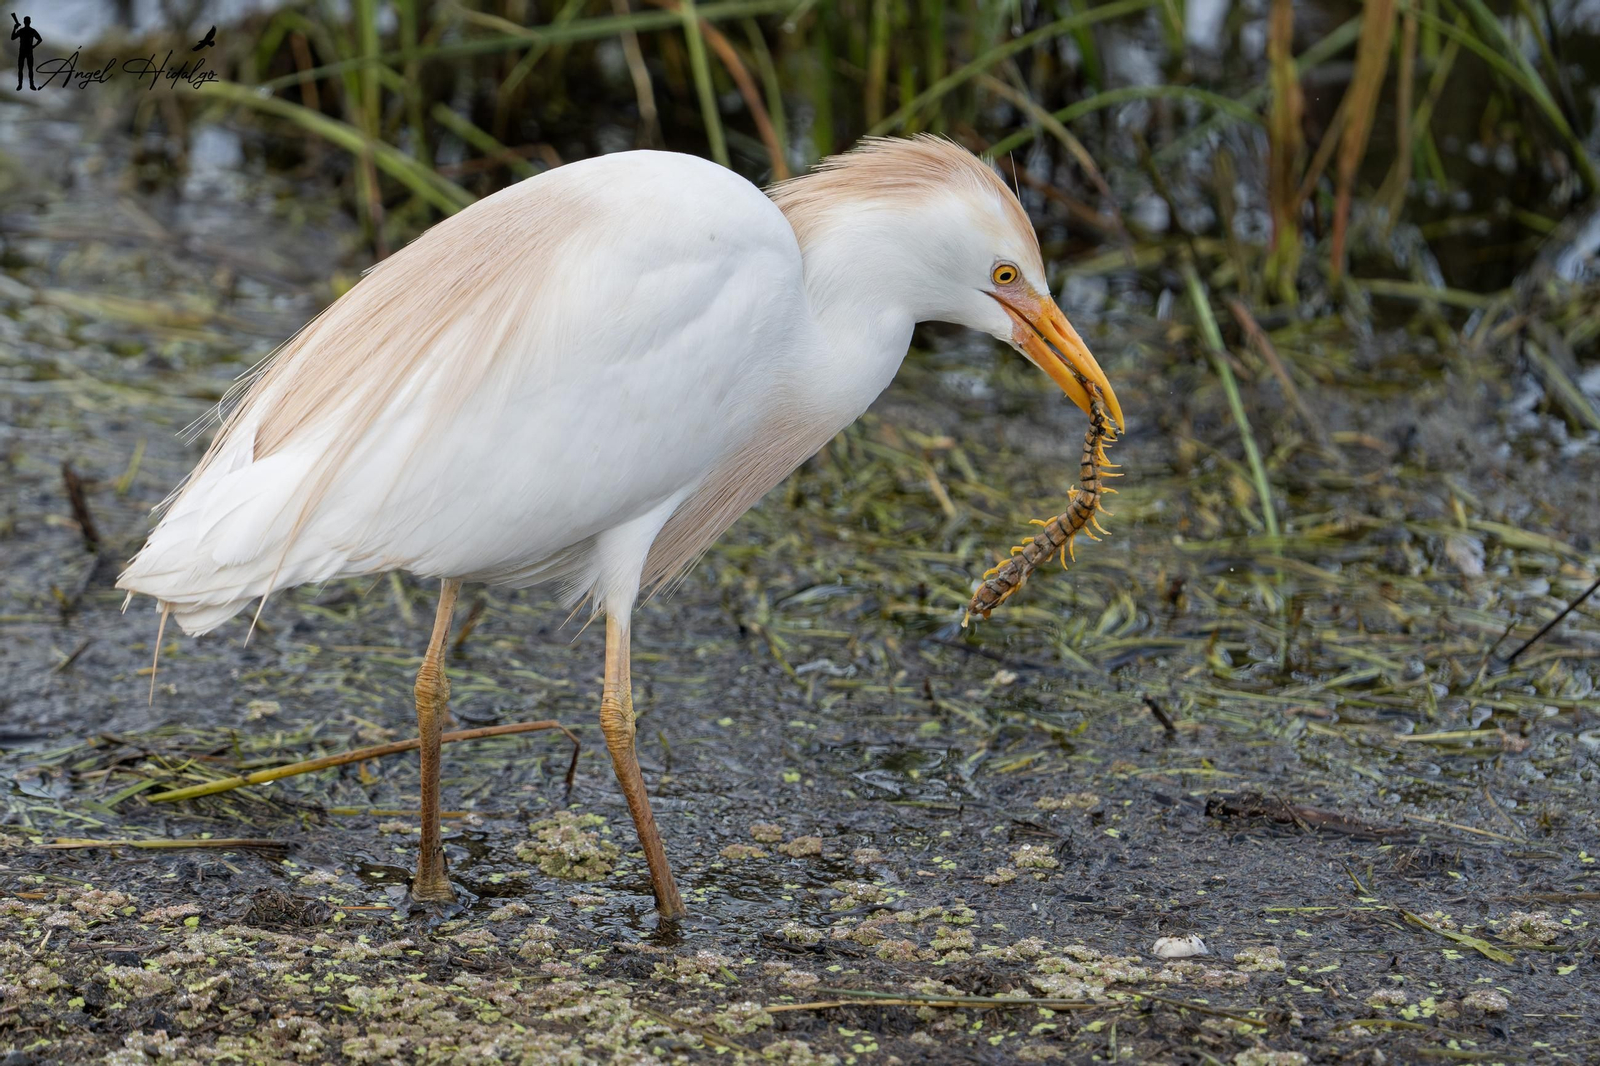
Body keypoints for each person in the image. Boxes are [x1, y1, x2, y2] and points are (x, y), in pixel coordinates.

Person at [11, 14, 41, 91]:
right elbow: (40, 39)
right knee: (28, 69)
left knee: (22, 69)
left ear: (24, 22)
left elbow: (13, 37)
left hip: (24, 52)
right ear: (30, 22)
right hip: (27, 52)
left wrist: (14, 29)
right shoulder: (32, 31)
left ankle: (21, 85)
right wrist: (34, 46)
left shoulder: (22, 31)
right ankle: (29, 84)